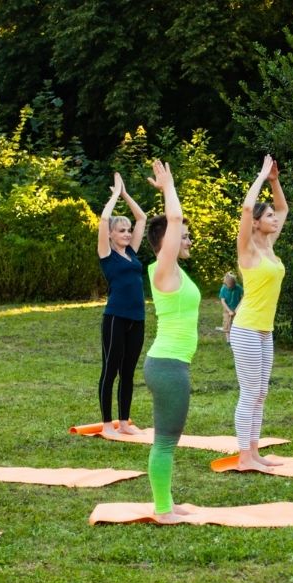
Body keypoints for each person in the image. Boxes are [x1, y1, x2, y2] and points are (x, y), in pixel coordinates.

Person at [141, 160, 197, 523]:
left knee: (169, 439)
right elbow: (174, 221)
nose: (189, 239)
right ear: (166, 243)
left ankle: (167, 501)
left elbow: (176, 225)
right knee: (164, 440)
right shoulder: (163, 268)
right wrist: (169, 189)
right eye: (184, 236)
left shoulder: (173, 271)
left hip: (171, 365)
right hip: (167, 367)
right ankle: (162, 509)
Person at [230, 155, 289, 471]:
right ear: (256, 222)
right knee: (250, 391)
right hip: (247, 327)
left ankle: (254, 452)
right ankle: (243, 456)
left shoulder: (269, 246)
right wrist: (260, 177)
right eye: (267, 216)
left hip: (265, 329)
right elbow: (245, 209)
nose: (274, 219)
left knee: (261, 392)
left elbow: (284, 209)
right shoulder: (248, 249)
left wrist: (274, 181)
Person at [96, 172, 147, 436]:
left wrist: (126, 194)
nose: (127, 234)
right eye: (122, 230)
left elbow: (142, 218)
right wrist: (114, 196)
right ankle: (107, 424)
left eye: (128, 231)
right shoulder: (106, 254)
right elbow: (104, 219)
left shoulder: (132, 253)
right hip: (115, 317)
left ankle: (124, 422)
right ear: (111, 235)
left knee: (128, 372)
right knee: (111, 369)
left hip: (137, 318)